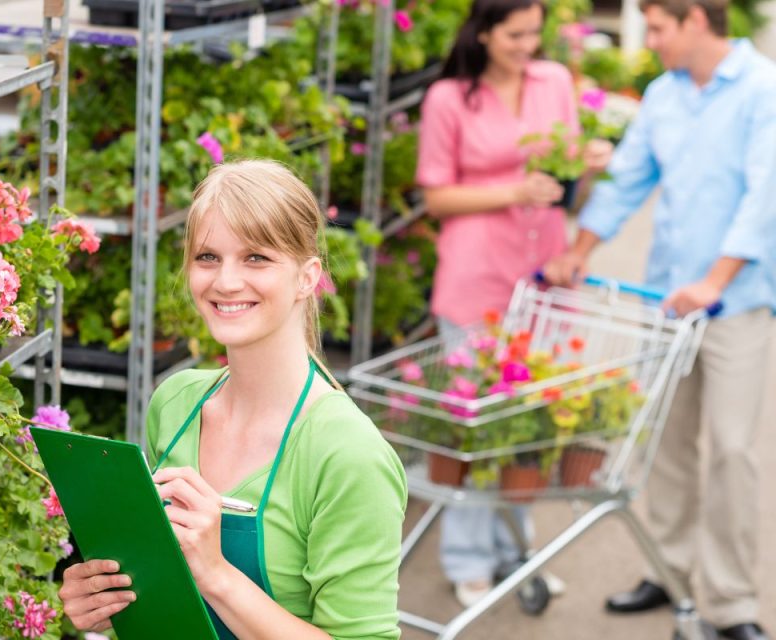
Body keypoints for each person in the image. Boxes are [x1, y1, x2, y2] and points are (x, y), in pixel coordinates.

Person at [57, 160, 409, 639]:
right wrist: (103, 599)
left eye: (256, 257)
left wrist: (216, 573)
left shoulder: (348, 455)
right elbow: (162, 595)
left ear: (307, 277)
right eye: (207, 257)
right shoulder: (176, 404)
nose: (225, 281)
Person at [542, 0, 776, 637]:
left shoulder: (763, 90)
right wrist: (578, 250)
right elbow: (625, 179)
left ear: (697, 19)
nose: (654, 41)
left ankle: (731, 605)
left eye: (661, 27)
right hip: (665, 301)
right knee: (666, 448)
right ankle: (671, 578)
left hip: (737, 302)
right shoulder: (662, 95)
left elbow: (766, 195)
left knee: (730, 450)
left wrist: (714, 281)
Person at [414, 0, 611, 608]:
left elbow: (567, 178)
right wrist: (511, 190)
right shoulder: (450, 98)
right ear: (484, 31)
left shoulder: (553, 81)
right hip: (477, 276)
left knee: (527, 427)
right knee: (475, 427)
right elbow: (436, 198)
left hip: (542, 277)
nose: (529, 46)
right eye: (516, 34)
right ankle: (468, 559)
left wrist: (592, 164)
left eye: (535, 33)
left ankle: (518, 554)